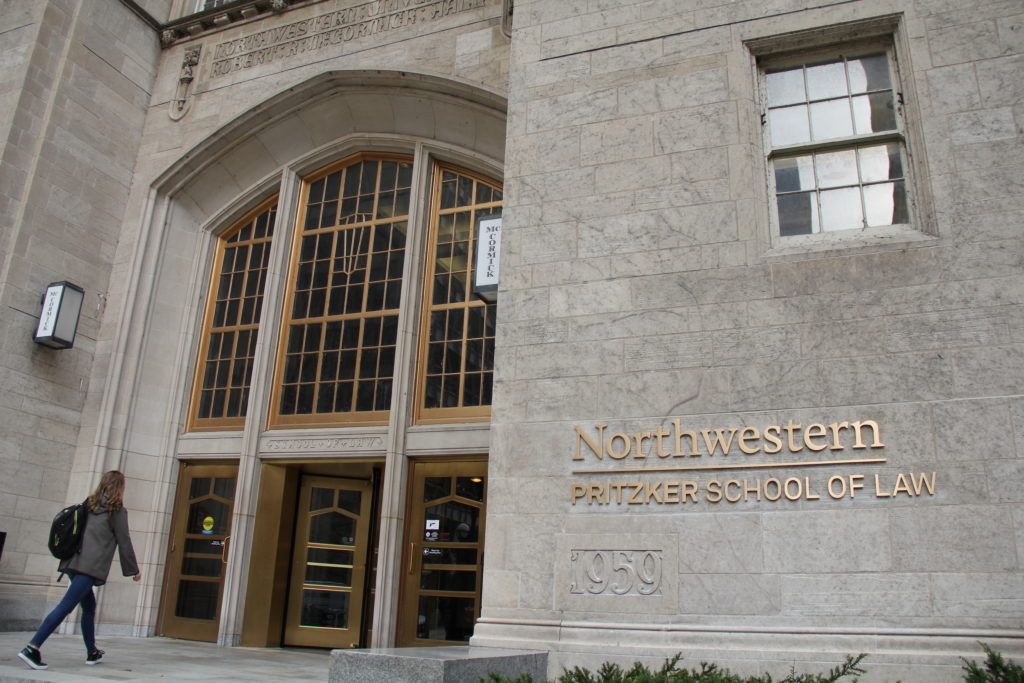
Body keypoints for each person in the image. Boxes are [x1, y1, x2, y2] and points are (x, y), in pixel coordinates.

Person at [18, 470, 142, 671]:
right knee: (65, 606)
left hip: (73, 563)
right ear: (120, 486)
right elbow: (124, 540)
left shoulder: (90, 504)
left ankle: (92, 651)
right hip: (89, 567)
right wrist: (133, 570)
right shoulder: (116, 509)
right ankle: (32, 647)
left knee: (89, 608)